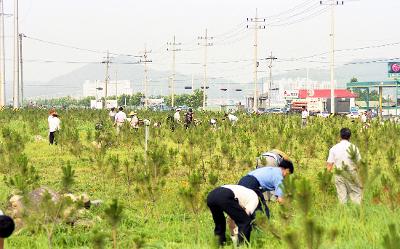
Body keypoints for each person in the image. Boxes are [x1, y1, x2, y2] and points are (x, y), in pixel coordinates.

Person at [327, 128, 362, 204]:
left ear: (340, 136)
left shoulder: (334, 148)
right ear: (350, 136)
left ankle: (343, 214)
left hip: (339, 174)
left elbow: (329, 165)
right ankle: (356, 214)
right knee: (356, 196)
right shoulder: (354, 148)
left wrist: (326, 177)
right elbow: (359, 164)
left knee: (342, 198)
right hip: (351, 174)